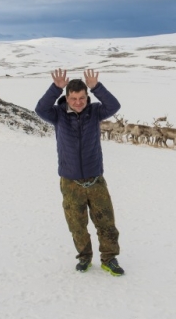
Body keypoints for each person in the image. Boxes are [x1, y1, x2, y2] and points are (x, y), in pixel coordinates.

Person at [35, 69, 125, 276]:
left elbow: (114, 106)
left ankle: (109, 258)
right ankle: (84, 257)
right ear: (67, 98)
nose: (78, 102)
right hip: (70, 181)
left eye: (82, 97)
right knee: (77, 224)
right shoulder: (57, 115)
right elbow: (40, 109)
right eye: (73, 98)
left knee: (106, 223)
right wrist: (55, 88)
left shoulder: (95, 112)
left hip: (95, 180)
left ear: (87, 97)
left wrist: (96, 87)